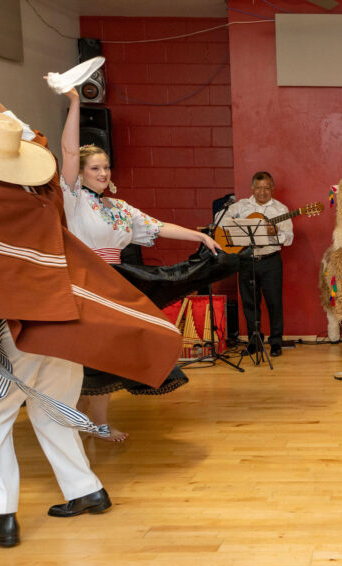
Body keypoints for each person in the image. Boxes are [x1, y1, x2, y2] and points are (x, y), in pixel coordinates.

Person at [0, 99, 181, 547]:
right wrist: (6, 114)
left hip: (18, 331)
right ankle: (87, 492)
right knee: (52, 412)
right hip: (66, 326)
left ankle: (2, 516)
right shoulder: (43, 196)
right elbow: (41, 153)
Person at [58, 89, 223, 442]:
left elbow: (158, 226)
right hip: (85, 284)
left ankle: (92, 421)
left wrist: (199, 236)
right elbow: (70, 151)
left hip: (115, 284)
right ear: (81, 173)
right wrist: (75, 104)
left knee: (108, 357)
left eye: (106, 167)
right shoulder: (73, 200)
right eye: (95, 168)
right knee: (89, 358)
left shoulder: (119, 208)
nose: (103, 173)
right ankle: (76, 420)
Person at [217, 171, 293, 357]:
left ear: (272, 189)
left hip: (270, 261)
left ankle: (276, 342)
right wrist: (236, 223)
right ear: (252, 188)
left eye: (266, 188)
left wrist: (274, 232)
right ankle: (254, 341)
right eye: (258, 188)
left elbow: (289, 238)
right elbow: (219, 218)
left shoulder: (281, 210)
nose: (262, 192)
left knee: (274, 303)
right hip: (245, 260)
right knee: (250, 303)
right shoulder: (241, 206)